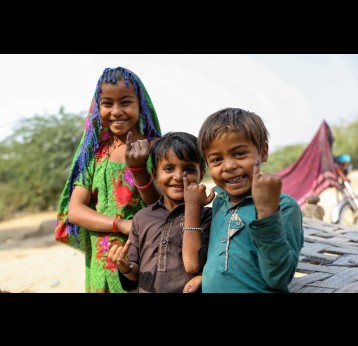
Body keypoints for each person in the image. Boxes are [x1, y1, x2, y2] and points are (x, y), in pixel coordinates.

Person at [54, 66, 162, 293]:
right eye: (107, 103)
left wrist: (140, 168)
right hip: (100, 266)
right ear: (97, 107)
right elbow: (75, 211)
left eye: (125, 102)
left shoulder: (156, 150)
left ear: (140, 104)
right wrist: (121, 224)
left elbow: (162, 205)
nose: (116, 111)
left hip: (144, 259)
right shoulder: (95, 157)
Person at [188, 107, 304, 293]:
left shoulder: (283, 206)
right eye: (217, 159)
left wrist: (267, 214)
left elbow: (279, 278)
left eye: (239, 154)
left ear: (263, 151)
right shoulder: (219, 202)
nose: (229, 166)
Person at [107, 132, 213, 293]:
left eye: (189, 169)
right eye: (169, 168)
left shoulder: (208, 216)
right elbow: (135, 272)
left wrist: (193, 208)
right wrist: (125, 266)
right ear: (155, 174)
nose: (178, 176)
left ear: (201, 173)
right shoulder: (142, 218)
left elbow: (200, 265)